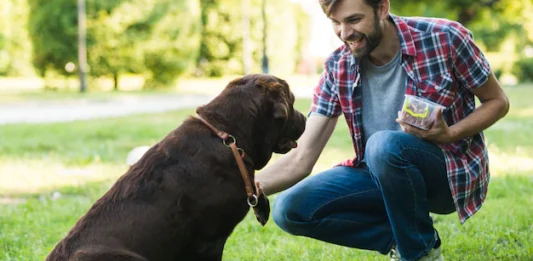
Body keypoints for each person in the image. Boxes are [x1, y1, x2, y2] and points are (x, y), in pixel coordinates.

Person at [255, 0, 510, 260]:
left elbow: (498, 101)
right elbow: (301, 157)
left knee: (382, 145)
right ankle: (412, 242)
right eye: (336, 22)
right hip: (379, 172)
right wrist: (242, 188)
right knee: (289, 209)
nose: (344, 33)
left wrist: (450, 133)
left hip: (446, 173)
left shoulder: (444, 38)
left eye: (354, 20)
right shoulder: (337, 67)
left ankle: (417, 254)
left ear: (382, 8)